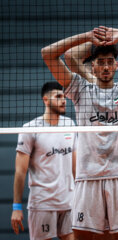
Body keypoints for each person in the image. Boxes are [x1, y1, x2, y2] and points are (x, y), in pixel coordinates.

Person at [41, 26, 118, 240]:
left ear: (116, 65)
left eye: (110, 62)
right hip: (88, 176)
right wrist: (88, 37)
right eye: (101, 62)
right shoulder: (80, 89)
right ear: (92, 66)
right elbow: (48, 54)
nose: (106, 67)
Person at [10, 82, 76, 240]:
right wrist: (16, 207)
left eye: (64, 97)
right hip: (42, 204)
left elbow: (75, 168)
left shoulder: (70, 125)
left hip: (69, 203)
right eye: (58, 97)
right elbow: (20, 172)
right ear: (45, 100)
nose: (63, 100)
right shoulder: (30, 129)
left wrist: (80, 198)